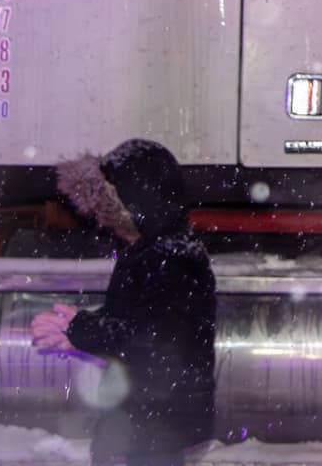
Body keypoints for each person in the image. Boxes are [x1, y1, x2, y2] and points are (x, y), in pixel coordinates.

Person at [30, 139, 216, 466]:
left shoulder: (173, 259)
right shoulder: (149, 251)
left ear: (141, 203)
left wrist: (81, 329)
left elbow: (152, 341)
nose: (105, 219)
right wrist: (78, 327)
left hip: (157, 422)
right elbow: (133, 320)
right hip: (145, 419)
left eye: (111, 206)